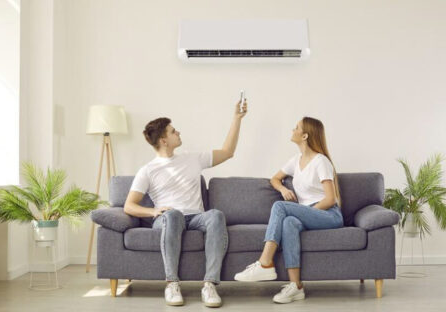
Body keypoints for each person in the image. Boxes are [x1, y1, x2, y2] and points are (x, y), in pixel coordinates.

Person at [124, 100, 248, 307]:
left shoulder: (192, 158)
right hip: (169, 218)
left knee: (216, 215)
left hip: (196, 217)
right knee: (173, 215)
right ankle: (172, 283)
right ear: (164, 140)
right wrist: (155, 211)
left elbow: (227, 152)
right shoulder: (148, 170)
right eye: (173, 131)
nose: (178, 133)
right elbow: (129, 206)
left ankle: (209, 285)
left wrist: (237, 118)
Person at [234, 116, 343, 304]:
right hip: (307, 213)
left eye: (296, 128)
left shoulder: (321, 161)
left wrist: (307, 211)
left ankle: (265, 262)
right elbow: (274, 179)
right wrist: (284, 189)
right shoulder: (296, 160)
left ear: (305, 136)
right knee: (289, 222)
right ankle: (296, 287)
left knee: (279, 207)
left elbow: (331, 198)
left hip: (328, 214)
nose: (293, 130)